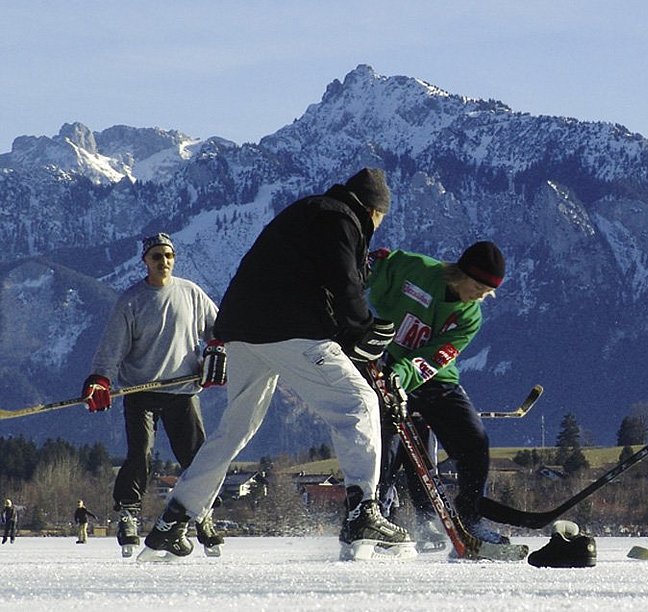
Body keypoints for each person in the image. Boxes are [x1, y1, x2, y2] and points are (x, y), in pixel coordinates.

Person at [141, 168, 415, 562]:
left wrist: (350, 331)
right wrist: (364, 330)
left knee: (234, 428)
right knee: (358, 403)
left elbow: (301, 278)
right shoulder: (341, 219)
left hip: (242, 331)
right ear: (374, 209)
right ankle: (363, 513)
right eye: (380, 219)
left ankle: (175, 519)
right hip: (289, 330)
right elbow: (344, 282)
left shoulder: (307, 212)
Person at [81, 232, 226, 557]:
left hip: (182, 390)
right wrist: (100, 378)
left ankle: (203, 514)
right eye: (157, 256)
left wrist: (217, 350)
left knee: (196, 457)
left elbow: (219, 329)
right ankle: (129, 515)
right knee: (140, 454)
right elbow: (112, 347)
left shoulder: (191, 293)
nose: (164, 262)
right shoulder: (131, 300)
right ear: (145, 261)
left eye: (168, 256)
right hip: (141, 391)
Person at [368, 241, 510, 545]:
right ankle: (375, 516)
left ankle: (470, 517)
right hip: (383, 362)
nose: (479, 296)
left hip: (433, 378)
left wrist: (402, 376)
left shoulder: (470, 317)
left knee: (475, 441)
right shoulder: (415, 268)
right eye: (476, 287)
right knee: (386, 445)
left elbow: (435, 357)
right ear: (460, 273)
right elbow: (366, 270)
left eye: (487, 294)